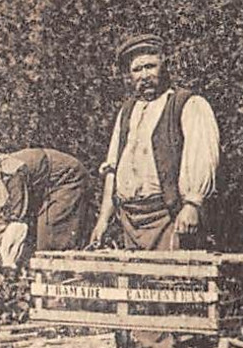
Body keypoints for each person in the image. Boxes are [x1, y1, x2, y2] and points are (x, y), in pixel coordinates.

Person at [89, 34, 221, 251]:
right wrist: (103, 219)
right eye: (137, 70)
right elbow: (112, 169)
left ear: (164, 65)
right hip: (131, 220)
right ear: (129, 76)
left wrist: (192, 205)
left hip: (168, 217)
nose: (144, 75)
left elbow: (202, 158)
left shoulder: (187, 104)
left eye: (150, 66)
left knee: (172, 282)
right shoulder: (127, 111)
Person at [0, 148, 95, 269]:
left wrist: (7, 261)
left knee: (49, 241)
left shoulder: (12, 175)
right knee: (32, 242)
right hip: (44, 187)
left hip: (66, 179)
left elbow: (17, 221)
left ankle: (55, 288)